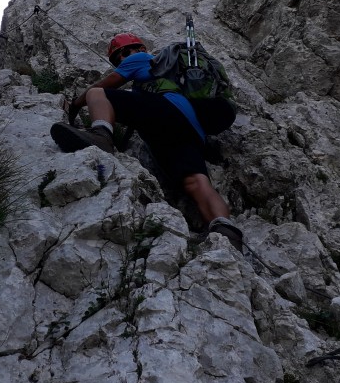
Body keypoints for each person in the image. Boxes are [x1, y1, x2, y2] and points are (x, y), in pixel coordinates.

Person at [50, 32, 243, 248]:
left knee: (96, 93)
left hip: (165, 110)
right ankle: (226, 231)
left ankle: (101, 136)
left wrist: (76, 105)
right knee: (196, 181)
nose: (122, 60)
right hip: (191, 129)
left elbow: (108, 84)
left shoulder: (142, 58)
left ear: (136, 49)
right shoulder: (166, 73)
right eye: (119, 58)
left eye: (122, 54)